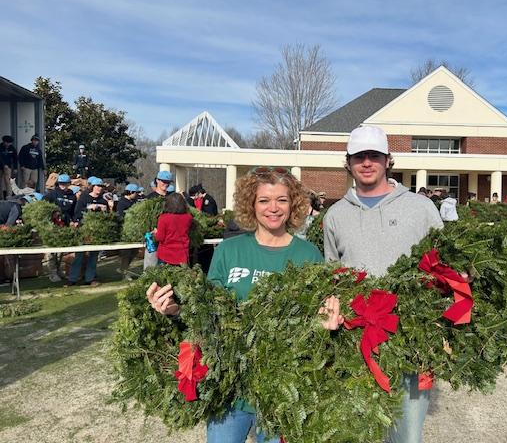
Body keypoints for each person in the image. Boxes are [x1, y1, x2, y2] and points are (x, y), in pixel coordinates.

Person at [147, 166, 322, 443]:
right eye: (264, 200)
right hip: (229, 389)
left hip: (282, 391)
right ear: (251, 204)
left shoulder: (309, 255)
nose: (273, 208)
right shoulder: (229, 251)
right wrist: (175, 309)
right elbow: (209, 310)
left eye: (282, 200)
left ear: (294, 204)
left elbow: (316, 321)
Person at [322, 125, 444, 443]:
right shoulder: (335, 215)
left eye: (373, 155)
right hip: (355, 340)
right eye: (358, 156)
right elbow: (332, 273)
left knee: (405, 436)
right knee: (355, 432)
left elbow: (445, 262)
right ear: (347, 162)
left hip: (411, 338)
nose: (366, 162)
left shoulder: (420, 208)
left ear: (388, 160)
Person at [67, 177, 108, 287]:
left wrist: (105, 209)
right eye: (98, 186)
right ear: (92, 187)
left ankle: (90, 278)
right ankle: (72, 279)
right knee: (79, 254)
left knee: (94, 255)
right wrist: (89, 208)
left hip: (96, 231)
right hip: (84, 229)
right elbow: (77, 213)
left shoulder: (103, 200)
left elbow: (107, 217)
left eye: (101, 187)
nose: (99, 189)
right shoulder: (84, 198)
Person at [44, 174, 77, 282]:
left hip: (65, 226)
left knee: (61, 251)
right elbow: (42, 207)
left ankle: (58, 271)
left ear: (69, 184)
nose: (63, 186)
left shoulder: (72, 196)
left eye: (65, 184)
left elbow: (73, 211)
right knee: (52, 251)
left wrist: (73, 221)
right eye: (61, 184)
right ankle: (52, 273)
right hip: (53, 226)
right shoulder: (52, 194)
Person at [153, 192, 193, 266]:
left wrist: (156, 232)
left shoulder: (163, 218)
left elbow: (160, 237)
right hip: (182, 253)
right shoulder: (188, 218)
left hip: (165, 255)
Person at [144, 170, 173, 269]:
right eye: (163, 181)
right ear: (157, 180)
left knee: (166, 266)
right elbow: (145, 218)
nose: (166, 184)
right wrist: (151, 230)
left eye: (168, 182)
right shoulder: (149, 198)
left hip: (168, 237)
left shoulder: (172, 198)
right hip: (153, 236)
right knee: (151, 265)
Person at [117, 183, 140, 280]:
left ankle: (124, 269)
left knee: (134, 251)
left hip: (134, 230)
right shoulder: (122, 202)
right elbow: (120, 216)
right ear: (130, 192)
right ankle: (124, 272)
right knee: (126, 253)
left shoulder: (134, 201)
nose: (137, 194)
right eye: (136, 193)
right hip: (125, 231)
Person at [0, 135, 18, 200]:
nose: (8, 144)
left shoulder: (12, 148)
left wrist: (15, 168)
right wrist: (4, 164)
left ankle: (9, 196)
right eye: (7, 142)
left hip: (8, 167)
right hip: (1, 166)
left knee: (8, 181)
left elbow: (15, 158)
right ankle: (1, 197)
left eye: (9, 142)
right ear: (4, 142)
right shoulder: (0, 147)